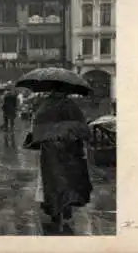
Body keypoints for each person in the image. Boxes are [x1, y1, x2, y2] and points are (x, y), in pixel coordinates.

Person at [23, 89, 93, 233]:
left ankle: (54, 208)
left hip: (50, 149)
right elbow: (82, 127)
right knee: (69, 178)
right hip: (70, 147)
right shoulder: (72, 106)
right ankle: (66, 206)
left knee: (52, 179)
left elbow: (36, 128)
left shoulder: (45, 106)